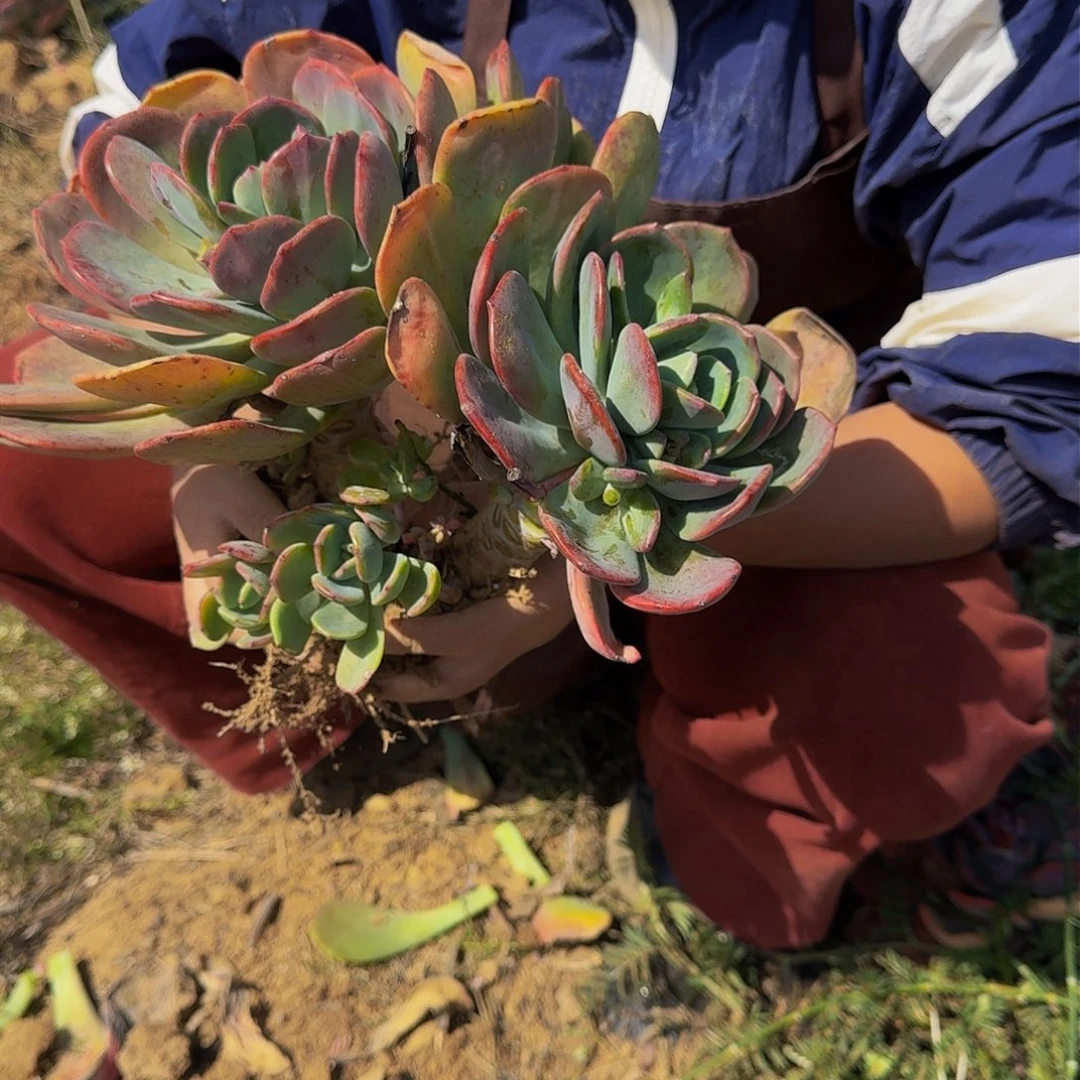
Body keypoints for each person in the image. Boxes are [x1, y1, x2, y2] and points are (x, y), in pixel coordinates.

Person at [0, 0, 1076, 950]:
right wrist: (218, 427)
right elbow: (134, 123)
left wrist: (576, 536)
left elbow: (1035, 397)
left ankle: (743, 880)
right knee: (27, 463)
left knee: (924, 681)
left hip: (765, 507)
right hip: (414, 449)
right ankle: (333, 725)